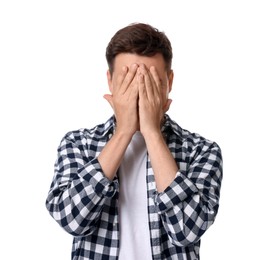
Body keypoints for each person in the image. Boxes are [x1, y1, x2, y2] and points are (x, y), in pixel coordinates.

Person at [45, 22, 223, 260]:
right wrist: (123, 132)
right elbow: (71, 221)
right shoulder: (78, 143)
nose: (139, 91)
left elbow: (187, 232)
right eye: (128, 81)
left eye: (150, 81)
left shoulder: (202, 151)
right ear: (110, 82)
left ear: (169, 83)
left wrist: (151, 132)